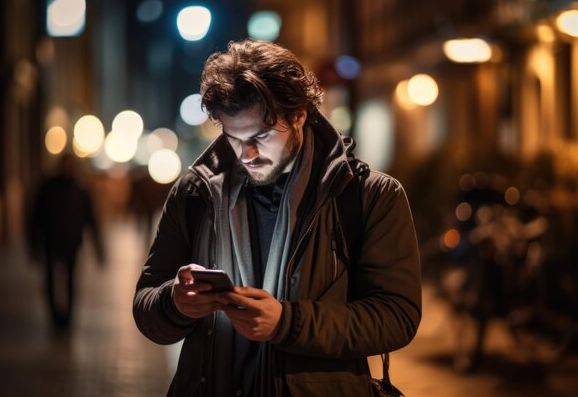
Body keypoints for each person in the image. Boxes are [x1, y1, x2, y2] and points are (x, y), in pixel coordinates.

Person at [133, 38, 422, 397]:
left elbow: (398, 316)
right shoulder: (195, 193)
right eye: (233, 137)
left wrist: (288, 323)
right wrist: (174, 303)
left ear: (299, 114)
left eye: (262, 135)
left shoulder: (368, 196)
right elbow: (145, 306)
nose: (247, 154)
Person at [29, 153, 105, 331]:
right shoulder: (47, 188)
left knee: (71, 281)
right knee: (50, 282)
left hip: (72, 243)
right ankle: (55, 317)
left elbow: (91, 219)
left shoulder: (80, 189)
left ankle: (68, 318)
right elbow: (36, 218)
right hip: (51, 242)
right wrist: (33, 245)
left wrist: (99, 248)